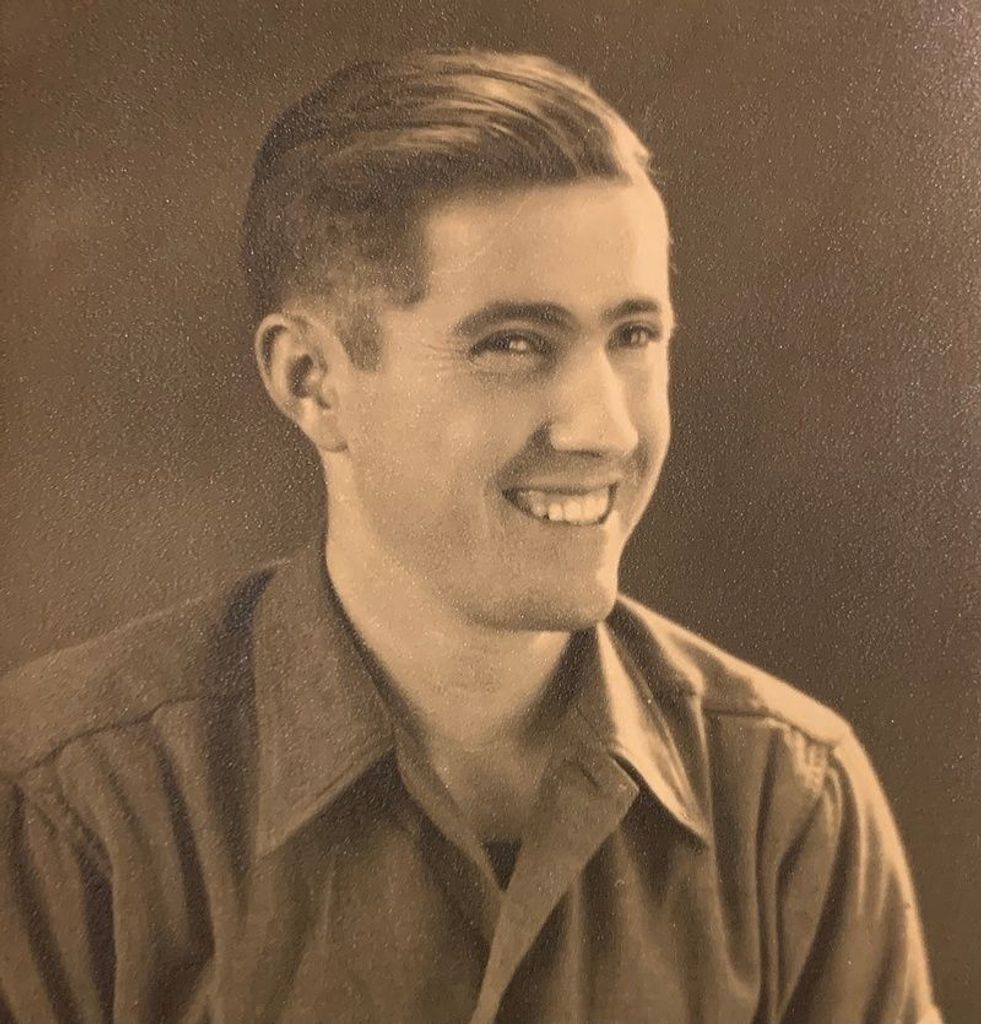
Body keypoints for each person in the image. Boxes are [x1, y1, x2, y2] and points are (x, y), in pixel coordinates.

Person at [0, 50, 941, 1024]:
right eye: (513, 343)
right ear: (312, 381)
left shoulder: (789, 802)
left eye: (633, 336)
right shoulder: (70, 815)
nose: (605, 429)